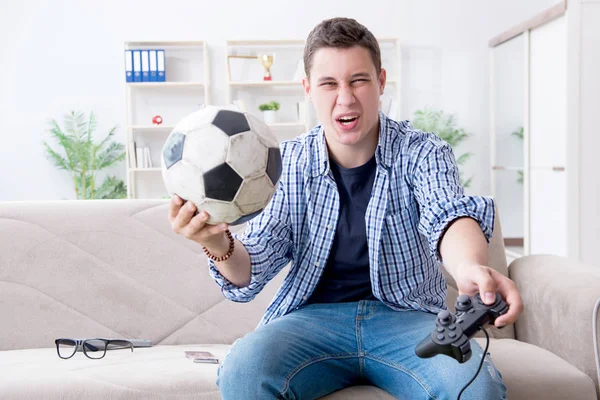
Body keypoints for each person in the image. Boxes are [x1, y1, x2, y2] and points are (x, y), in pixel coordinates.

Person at [169, 17, 523, 400]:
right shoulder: (285, 164)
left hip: (408, 321)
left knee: (477, 388)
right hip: (310, 323)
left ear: (381, 82)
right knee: (244, 373)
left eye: (358, 80)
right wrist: (217, 242)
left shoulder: (423, 152)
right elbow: (251, 268)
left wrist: (470, 267)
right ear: (308, 89)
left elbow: (449, 215)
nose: (346, 98)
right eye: (328, 84)